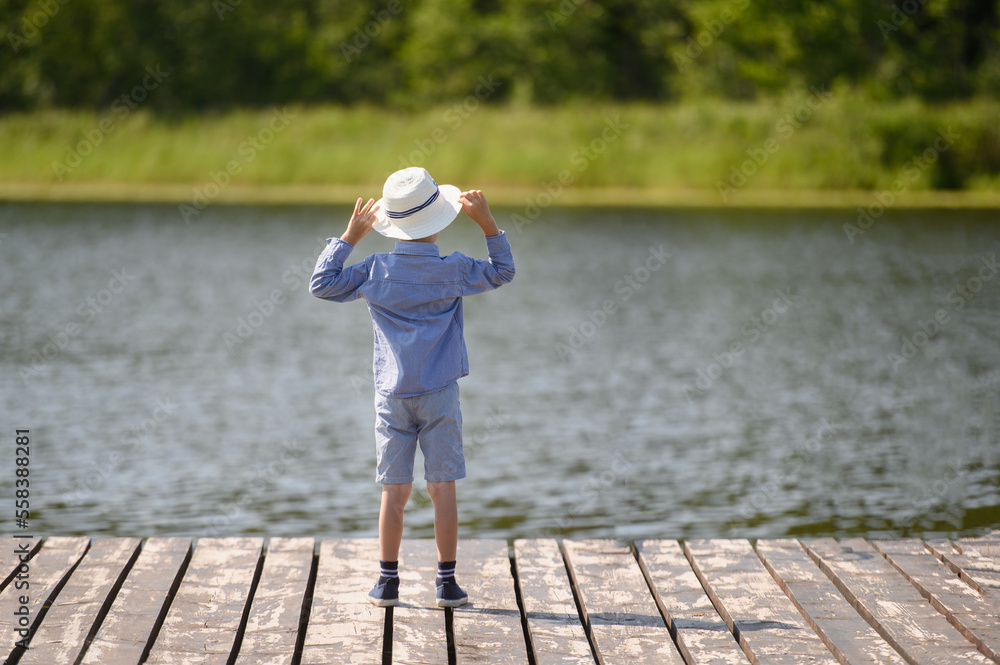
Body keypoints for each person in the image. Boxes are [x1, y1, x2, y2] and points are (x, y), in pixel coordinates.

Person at [309, 167, 515, 607]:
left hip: (391, 395)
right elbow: (503, 272)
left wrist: (348, 238)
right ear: (438, 222)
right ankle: (446, 583)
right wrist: (488, 224)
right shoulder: (454, 269)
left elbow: (321, 285)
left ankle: (387, 583)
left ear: (391, 223)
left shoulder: (375, 270)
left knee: (394, 489)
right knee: (442, 487)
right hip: (440, 393)